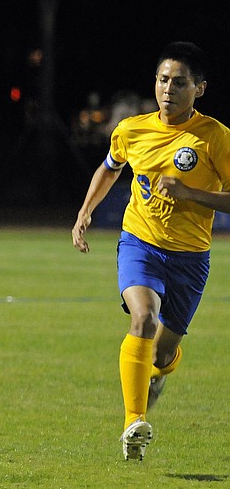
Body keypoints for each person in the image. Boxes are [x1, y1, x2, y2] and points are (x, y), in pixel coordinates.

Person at [72, 41, 230, 461]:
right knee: (143, 318)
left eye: (180, 82)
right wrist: (85, 211)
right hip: (140, 243)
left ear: (199, 89)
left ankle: (161, 370)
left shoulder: (215, 137)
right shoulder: (132, 129)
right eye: (163, 80)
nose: (168, 89)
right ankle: (133, 423)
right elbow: (109, 168)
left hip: (191, 259)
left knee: (163, 352)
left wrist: (190, 193)